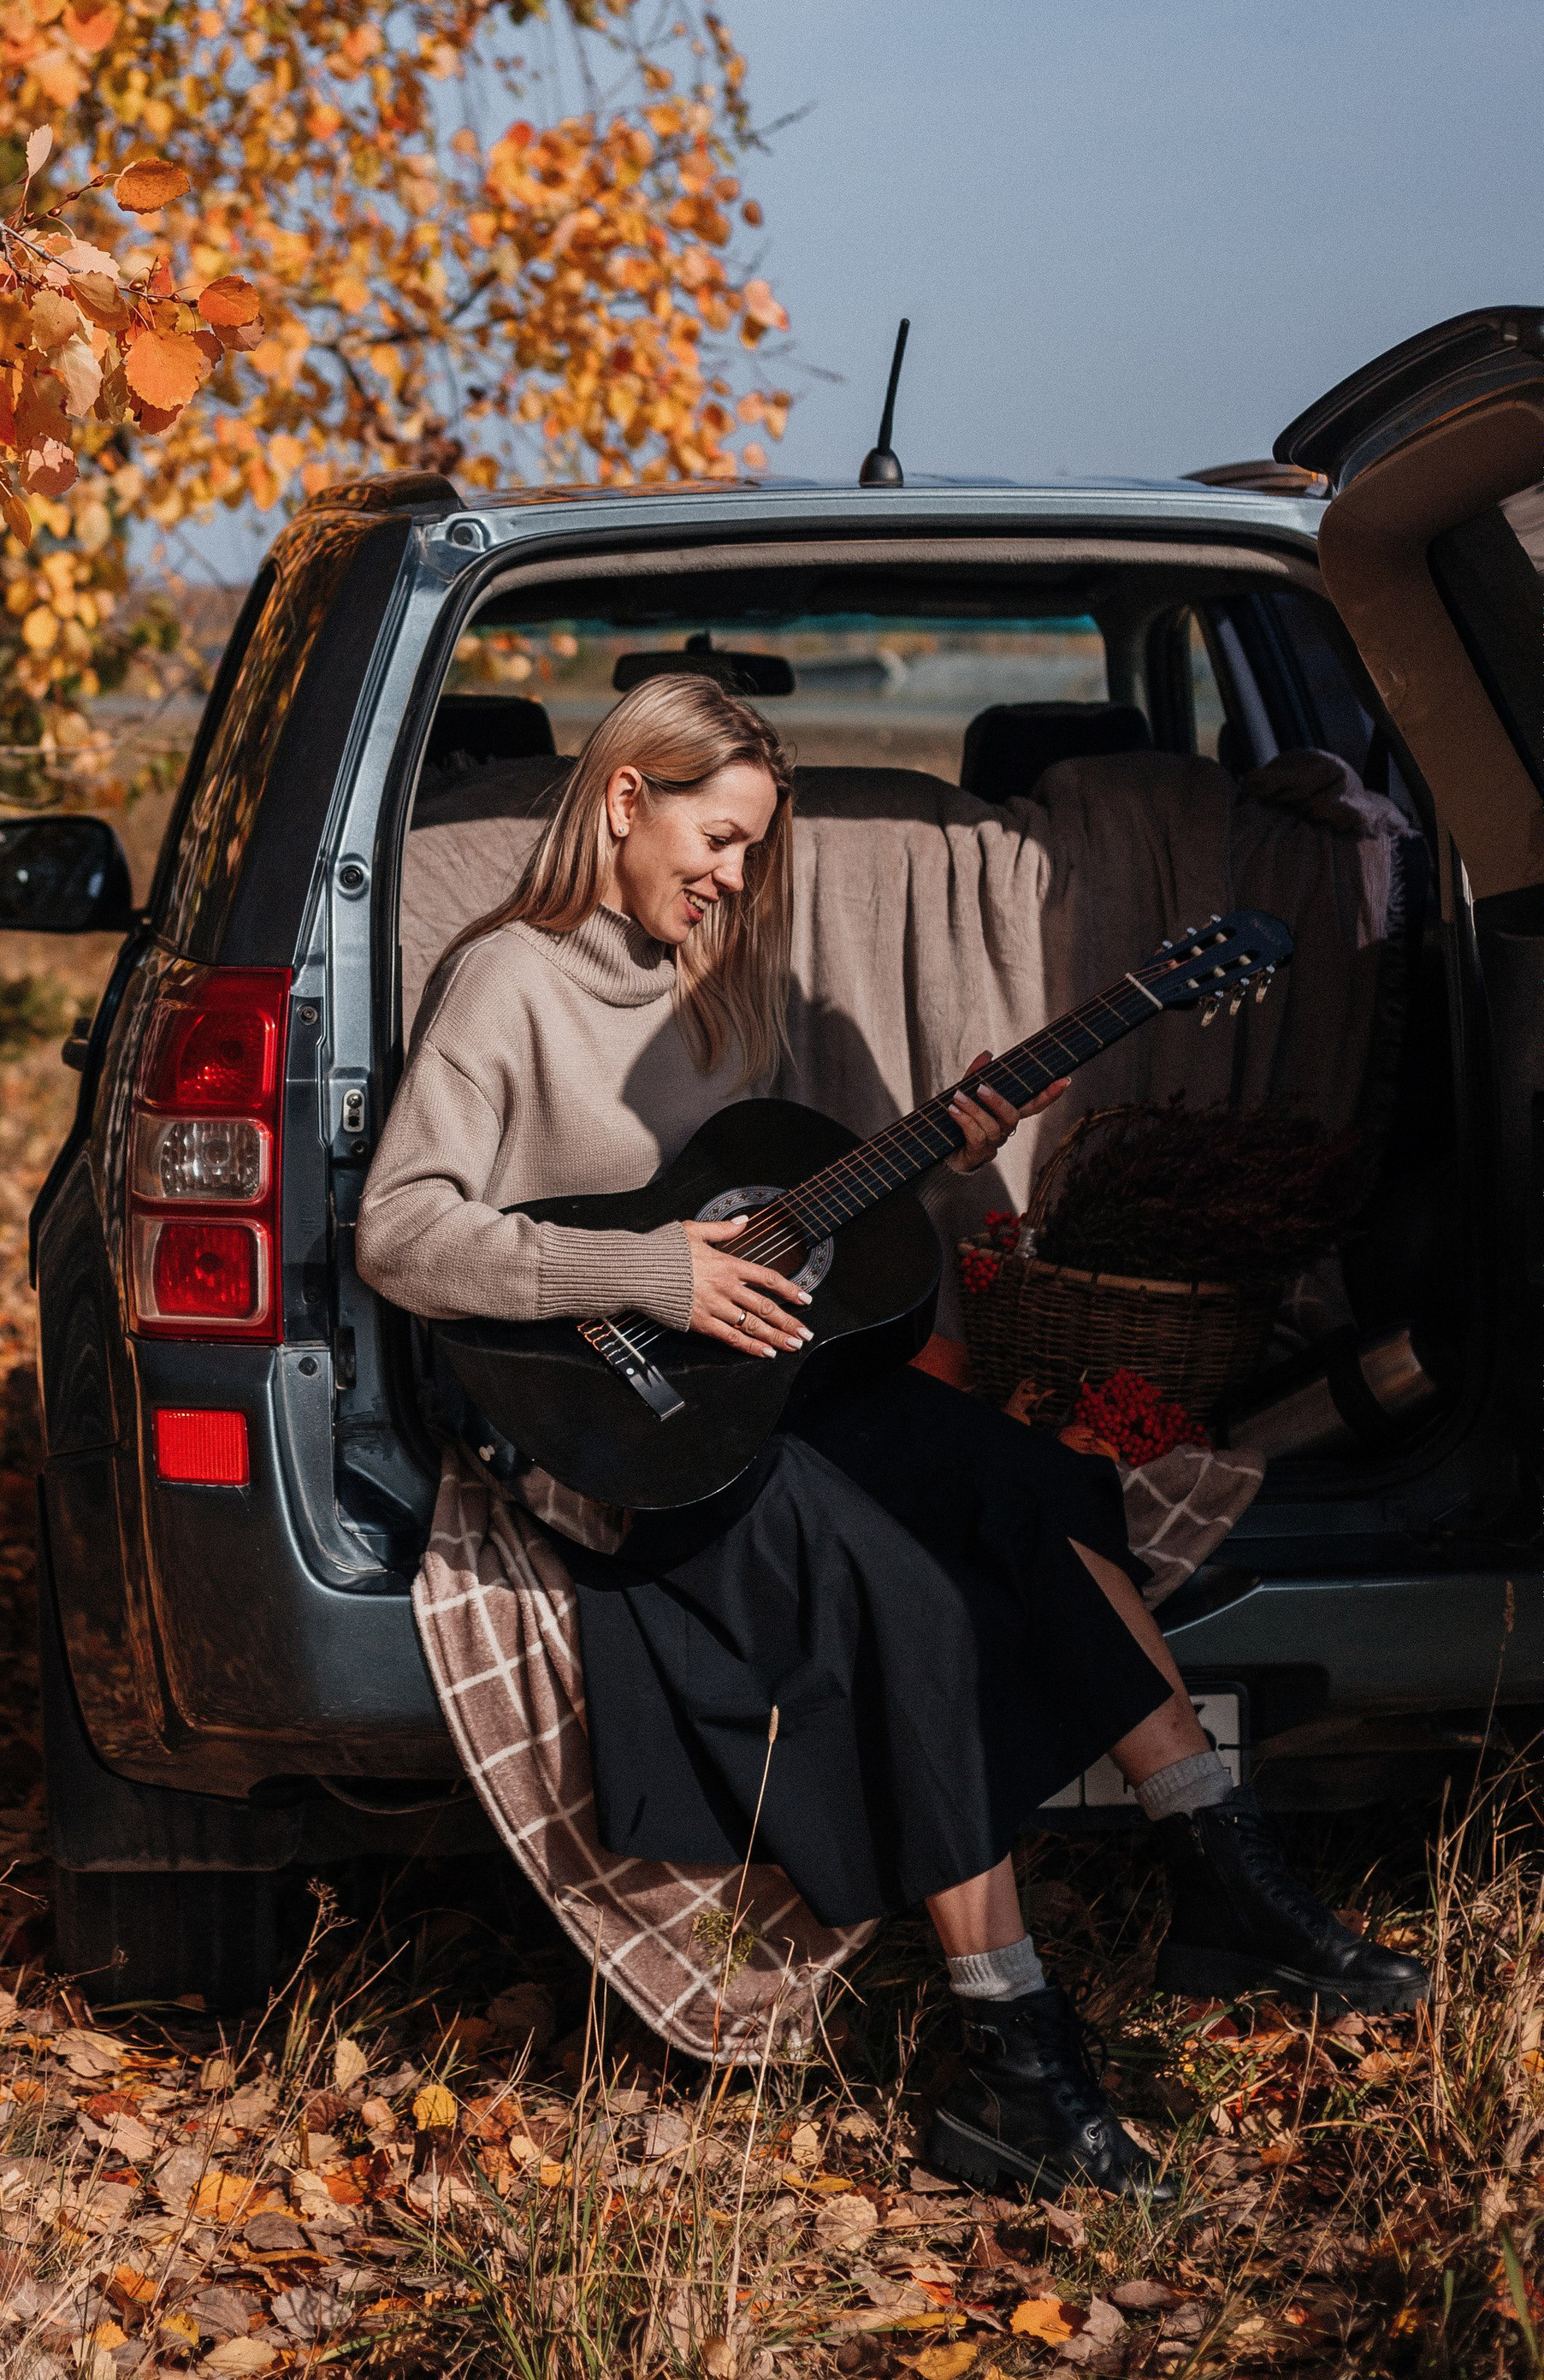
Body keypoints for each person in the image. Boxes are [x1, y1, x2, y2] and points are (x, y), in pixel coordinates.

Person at [358, 676, 1425, 2200]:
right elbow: (403, 1235)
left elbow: (771, 1220)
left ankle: (1223, 1865)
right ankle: (1011, 2057)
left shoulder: (716, 985)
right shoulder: (503, 983)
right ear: (621, 802)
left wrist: (928, 1165)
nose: (732, 876)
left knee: (1033, 1479)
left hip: (764, 1377)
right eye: (716, 839)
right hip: (604, 1416)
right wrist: (649, 1270)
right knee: (909, 1603)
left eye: (750, 851)